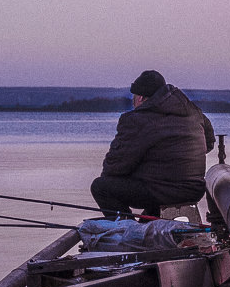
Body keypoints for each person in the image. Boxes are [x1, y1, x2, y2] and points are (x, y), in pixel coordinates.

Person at [91, 70, 215, 220]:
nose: (133, 101)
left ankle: (129, 231)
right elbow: (208, 144)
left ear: (141, 97)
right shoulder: (194, 113)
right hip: (194, 190)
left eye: (134, 97)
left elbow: (116, 165)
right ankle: (147, 223)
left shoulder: (138, 120)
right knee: (152, 187)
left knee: (101, 187)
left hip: (163, 191)